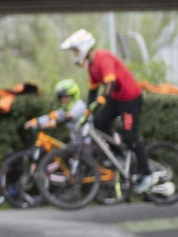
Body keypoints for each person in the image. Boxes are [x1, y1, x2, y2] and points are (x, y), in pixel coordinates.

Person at [59, 29, 157, 193]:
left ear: (83, 48)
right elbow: (92, 90)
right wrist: (88, 111)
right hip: (117, 99)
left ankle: (148, 174)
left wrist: (103, 99)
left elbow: (110, 84)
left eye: (75, 50)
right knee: (98, 123)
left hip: (130, 100)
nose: (75, 54)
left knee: (130, 136)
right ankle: (118, 154)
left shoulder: (103, 58)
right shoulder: (91, 66)